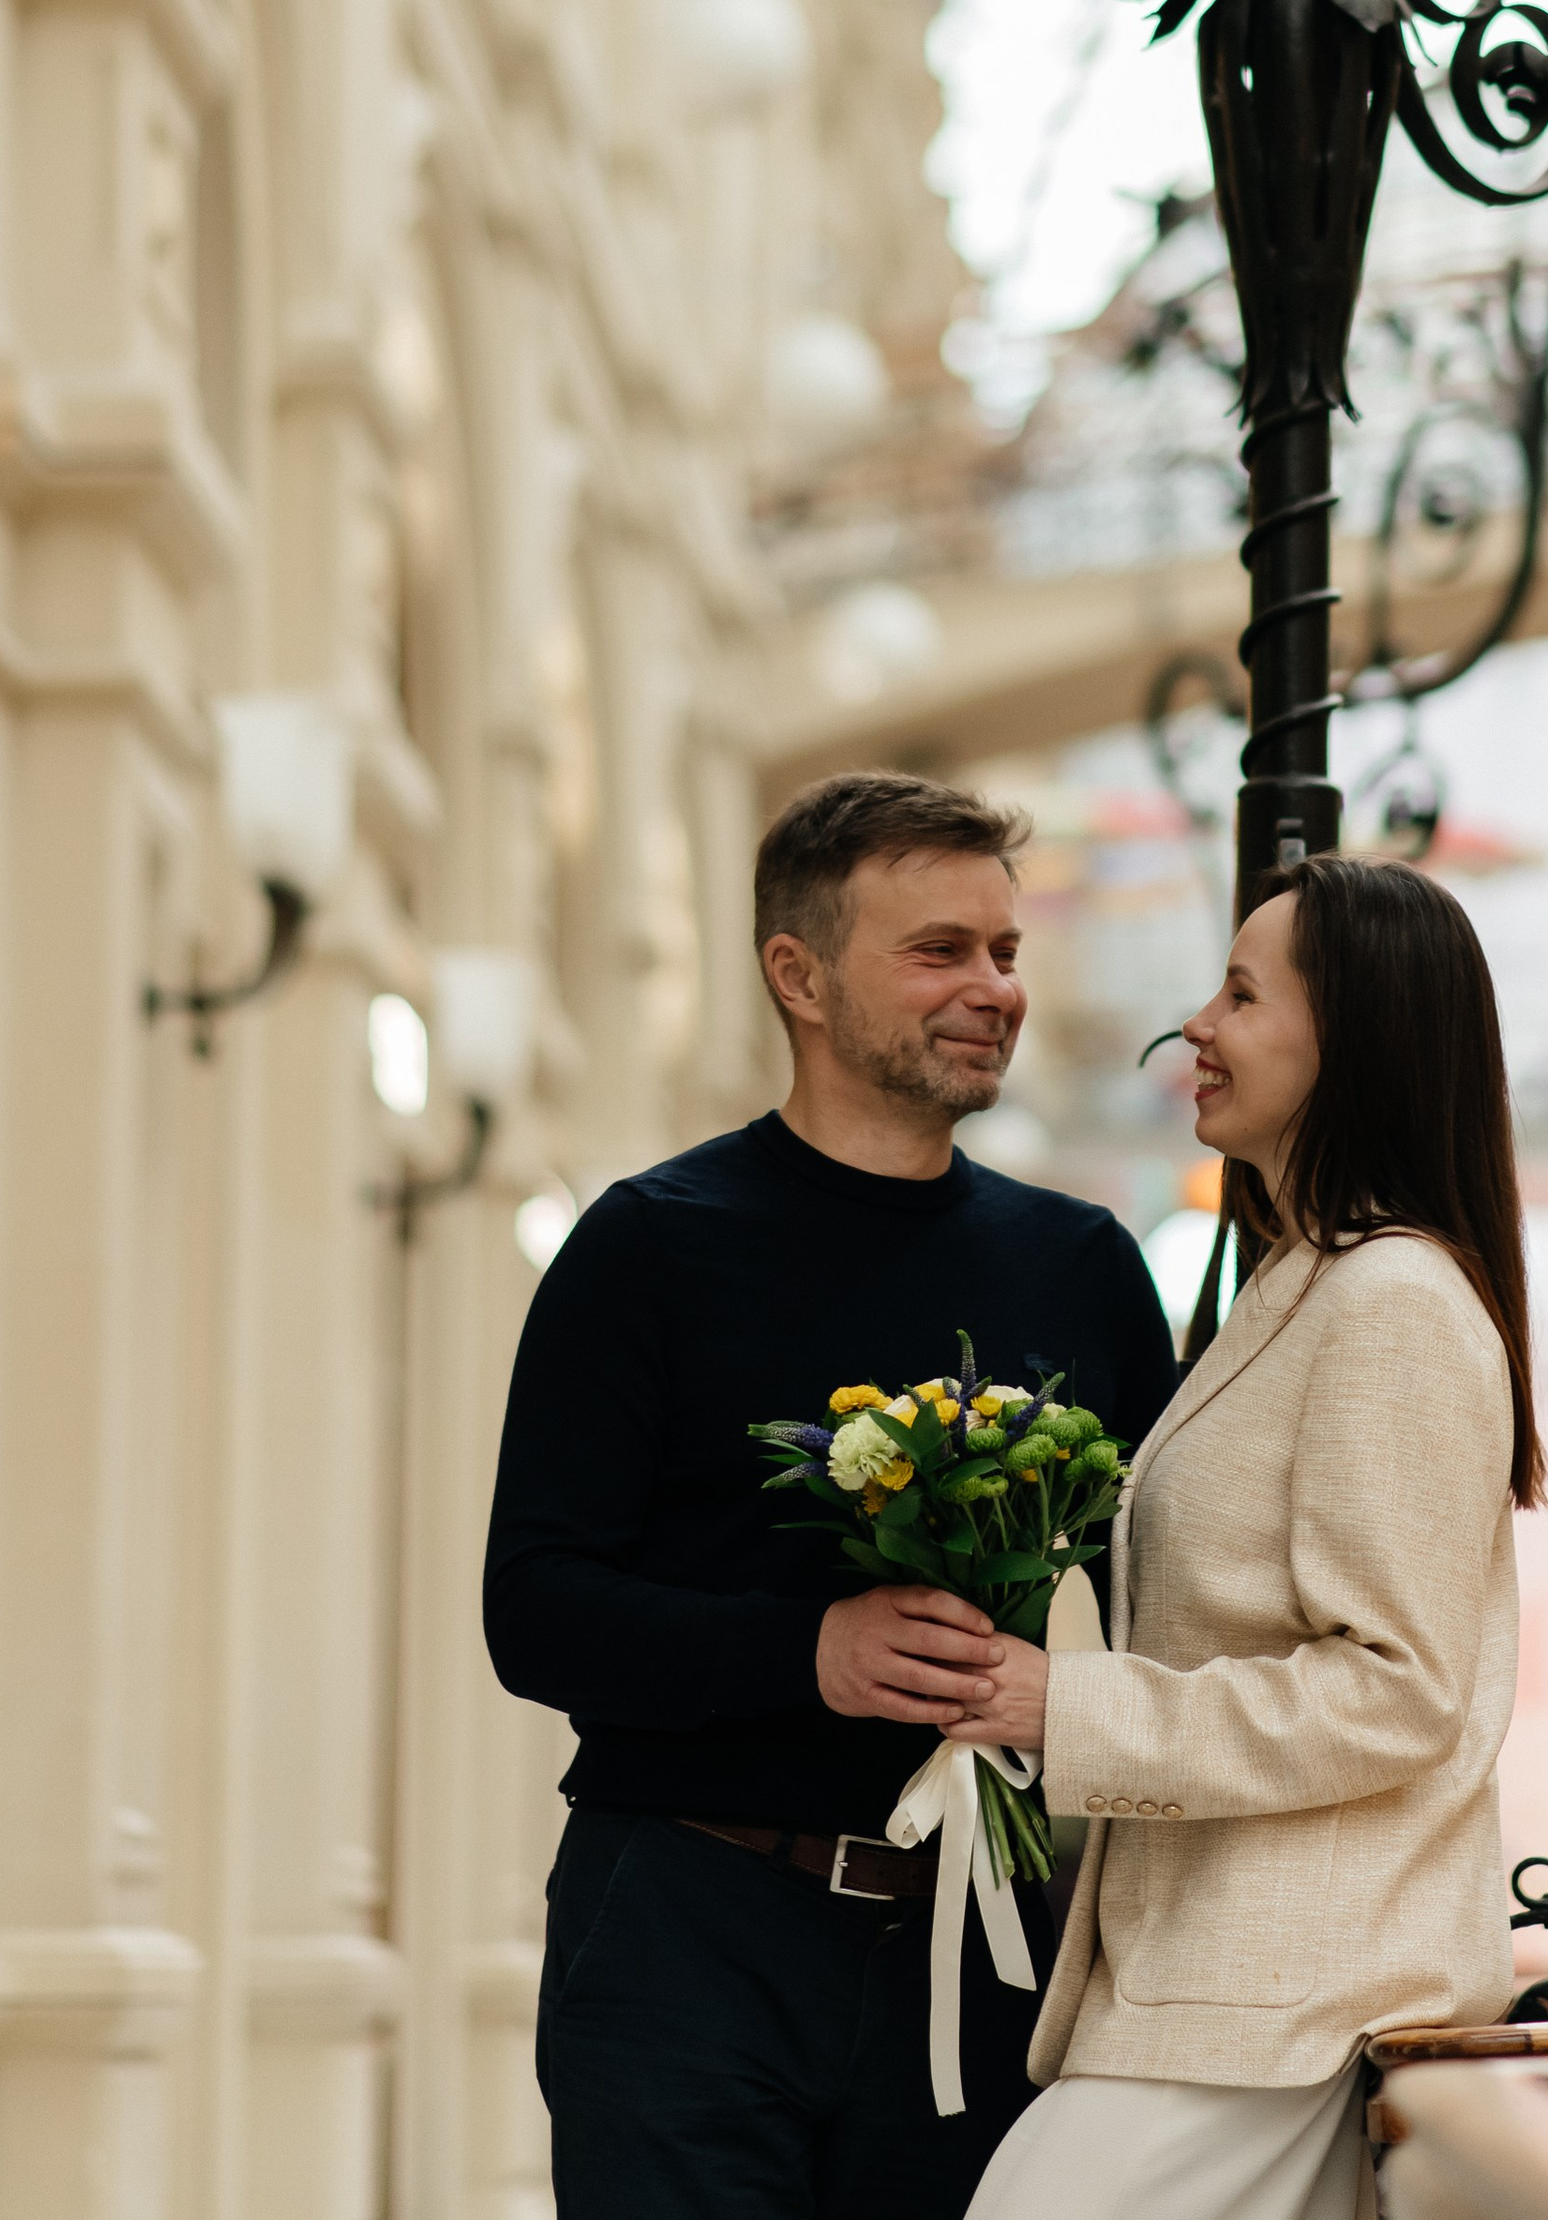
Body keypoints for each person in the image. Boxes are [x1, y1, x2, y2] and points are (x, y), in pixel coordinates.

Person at [484, 769, 1178, 2220]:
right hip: (688, 1928)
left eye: (1006, 952)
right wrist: (809, 1652)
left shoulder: (1083, 1269)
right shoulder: (648, 1248)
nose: (993, 988)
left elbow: (1153, 1606)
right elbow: (534, 1611)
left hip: (985, 1953)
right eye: (940, 950)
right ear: (796, 974)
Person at [949, 854, 1539, 2220]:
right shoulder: (1304, 1284)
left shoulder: (1388, 1300)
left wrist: (1070, 1711)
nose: (1195, 1028)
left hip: (1282, 2002)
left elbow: (1396, 1691)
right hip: (1222, 1992)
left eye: (1239, 992)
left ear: (1354, 1040)